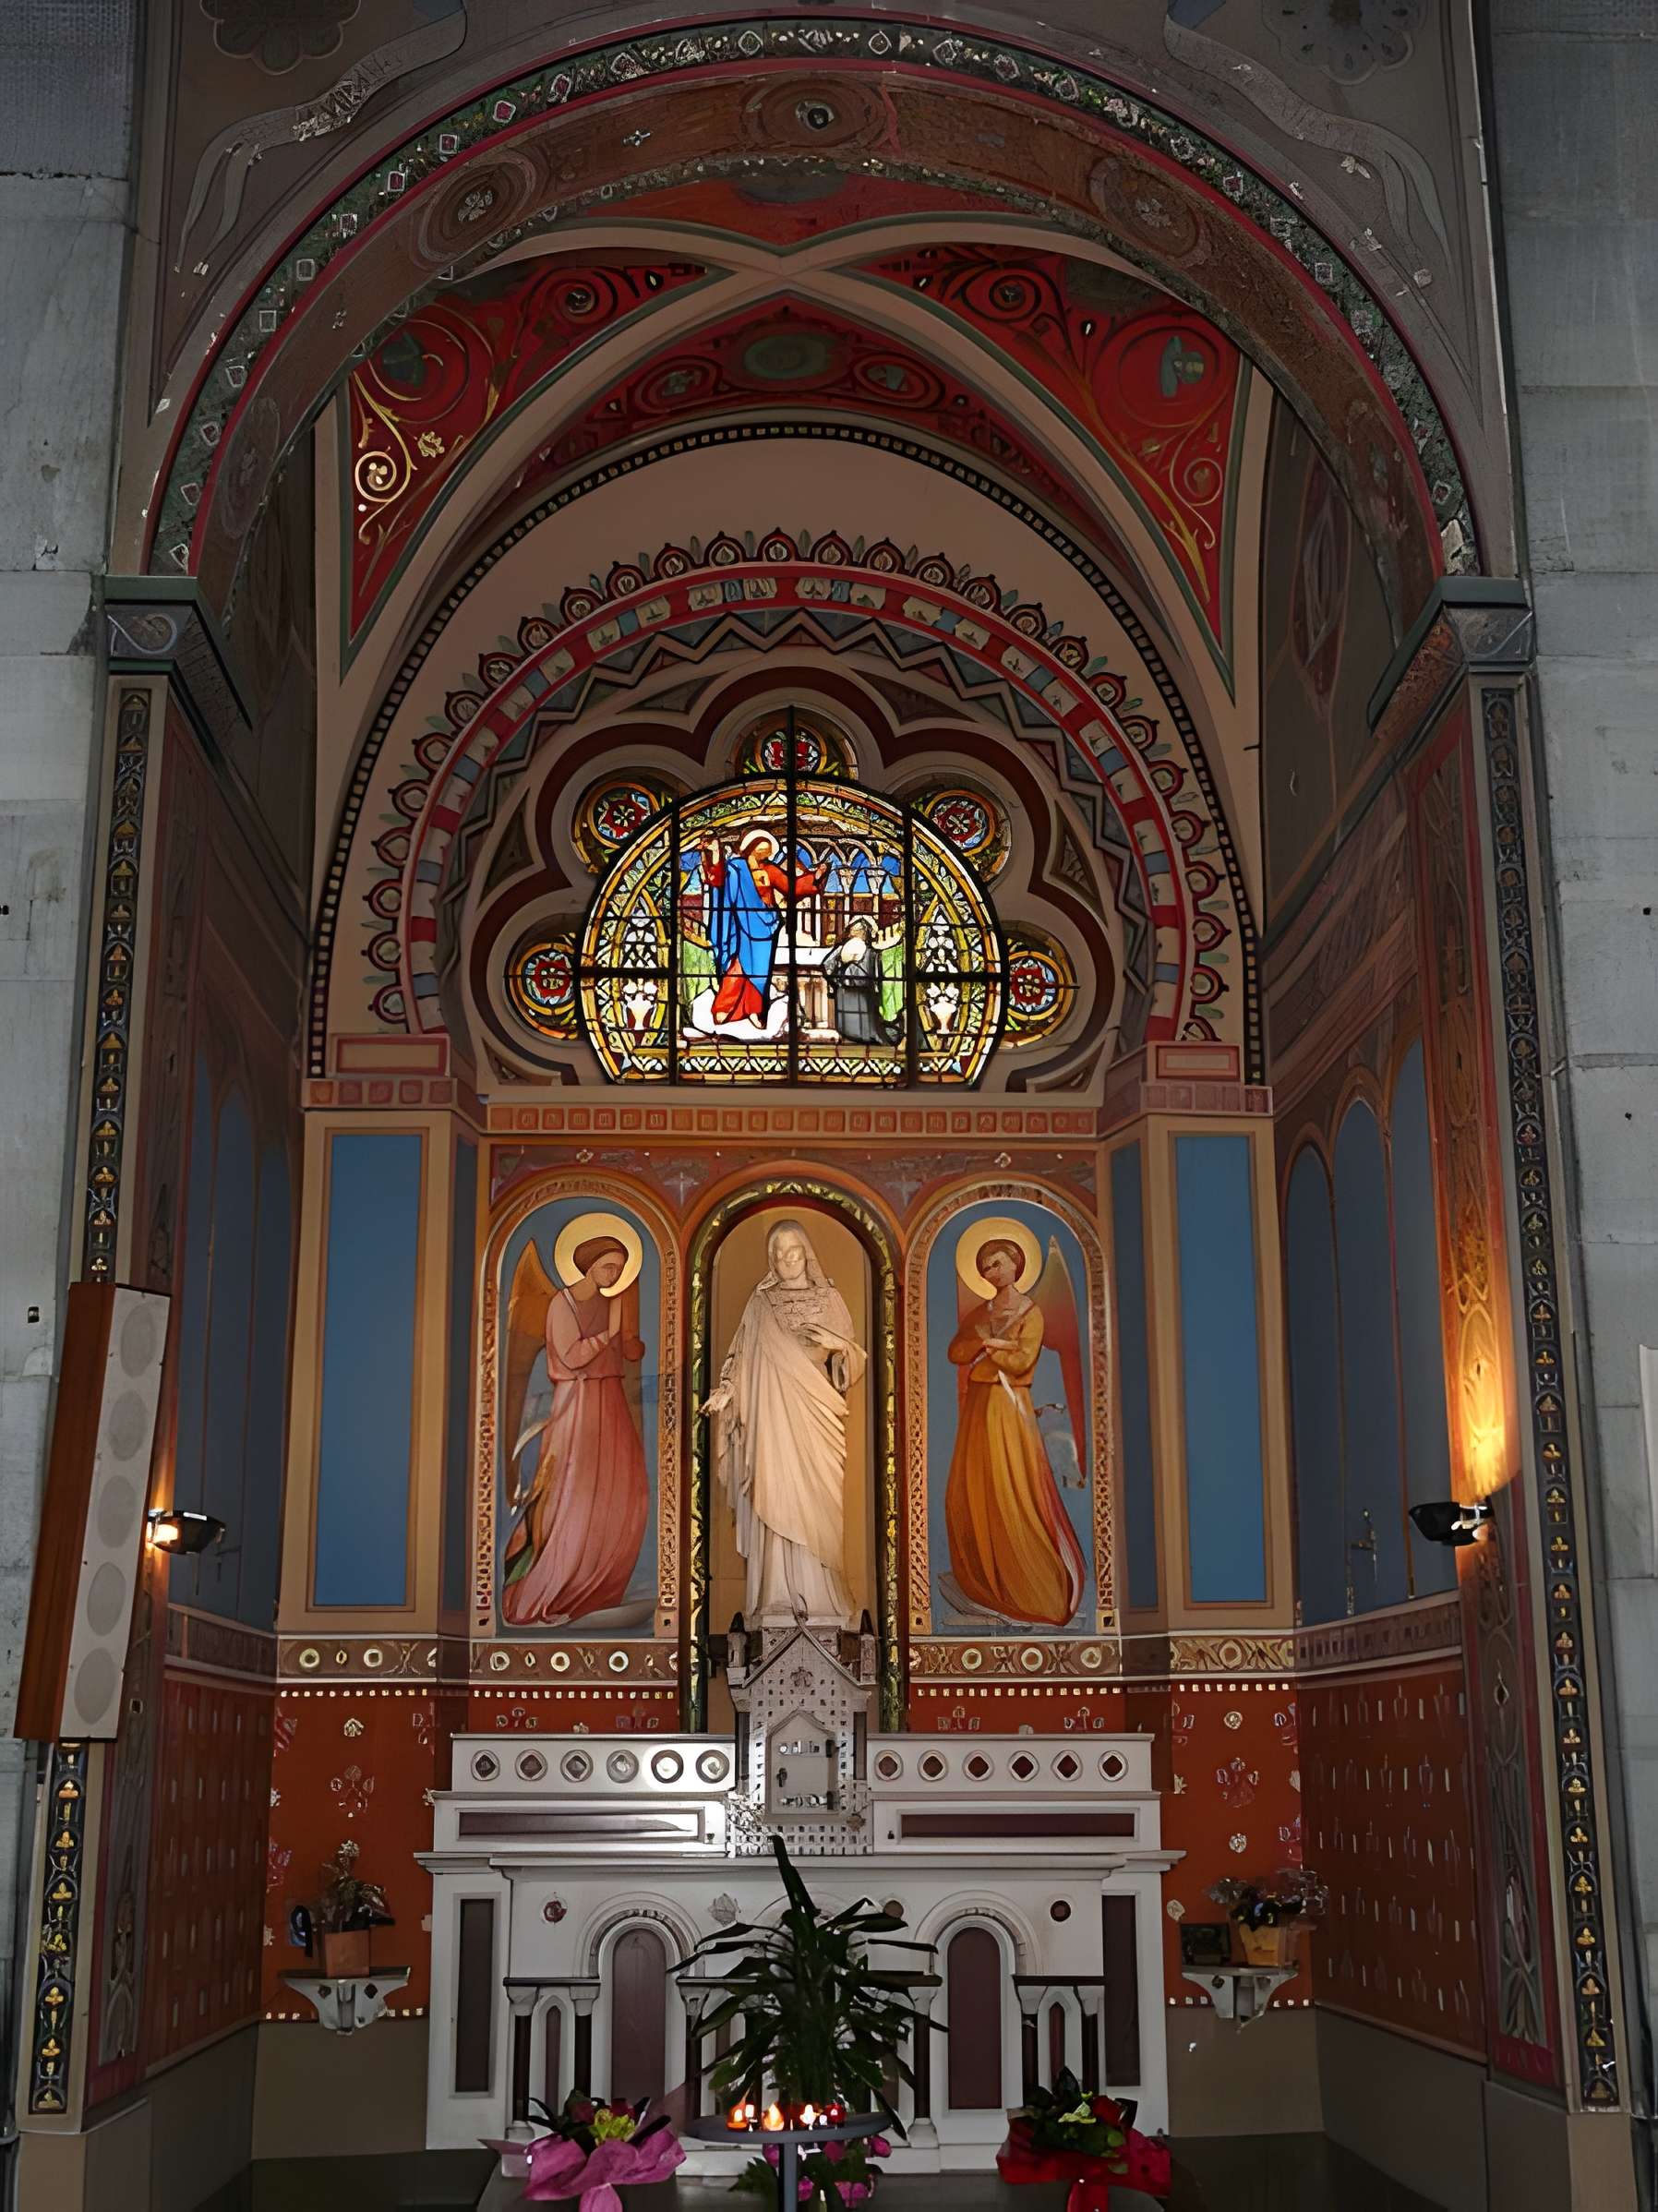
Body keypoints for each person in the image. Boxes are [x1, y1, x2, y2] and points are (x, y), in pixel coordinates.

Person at [702, 1219, 863, 1626]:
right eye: (777, 1253)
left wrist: (837, 1347)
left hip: (816, 1415)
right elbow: (740, 1356)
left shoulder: (829, 1299)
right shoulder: (760, 1303)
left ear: (805, 1253)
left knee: (819, 1500)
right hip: (770, 1417)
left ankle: (822, 1599)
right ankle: (774, 1595)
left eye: (793, 1252)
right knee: (773, 1491)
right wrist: (727, 1390)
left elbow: (852, 1360)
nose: (786, 1260)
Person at [502, 1236, 648, 1626]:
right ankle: (553, 1586)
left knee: (622, 1491)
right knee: (575, 1493)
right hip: (578, 1404)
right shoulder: (561, 1305)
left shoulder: (612, 1303)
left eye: (619, 1269)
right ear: (587, 1264)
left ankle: (598, 1586)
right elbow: (571, 1356)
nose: (613, 1274)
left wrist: (630, 1339)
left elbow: (629, 1354)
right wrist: (610, 1332)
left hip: (611, 1400)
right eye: (608, 1267)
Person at [943, 1236, 1085, 1628]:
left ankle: (1032, 1585)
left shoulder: (1030, 1311)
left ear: (1017, 1265)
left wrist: (992, 1346)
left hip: (1009, 1407)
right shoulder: (982, 1312)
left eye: (1000, 1263)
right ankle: (987, 1581)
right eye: (987, 1266)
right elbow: (957, 1352)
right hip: (978, 1406)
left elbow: (1023, 1361)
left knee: (1012, 1488)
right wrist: (983, 1339)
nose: (994, 1271)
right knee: (972, 1489)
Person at [702, 829, 822, 1026]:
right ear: (751, 846)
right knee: (737, 967)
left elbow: (792, 887)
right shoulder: (736, 868)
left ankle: (755, 1011)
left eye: (767, 846)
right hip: (740, 924)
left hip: (765, 926)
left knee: (760, 971)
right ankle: (724, 1008)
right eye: (761, 844)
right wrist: (715, 850)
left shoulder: (770, 870)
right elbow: (718, 879)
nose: (765, 849)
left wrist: (815, 876)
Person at [821, 916, 903, 1044]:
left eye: (861, 930)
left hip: (867, 991)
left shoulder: (874, 952)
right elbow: (828, 967)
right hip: (847, 992)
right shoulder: (841, 949)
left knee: (869, 1020)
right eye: (855, 929)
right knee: (852, 1022)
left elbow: (881, 972)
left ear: (869, 932)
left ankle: (876, 1037)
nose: (857, 933)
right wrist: (842, 963)